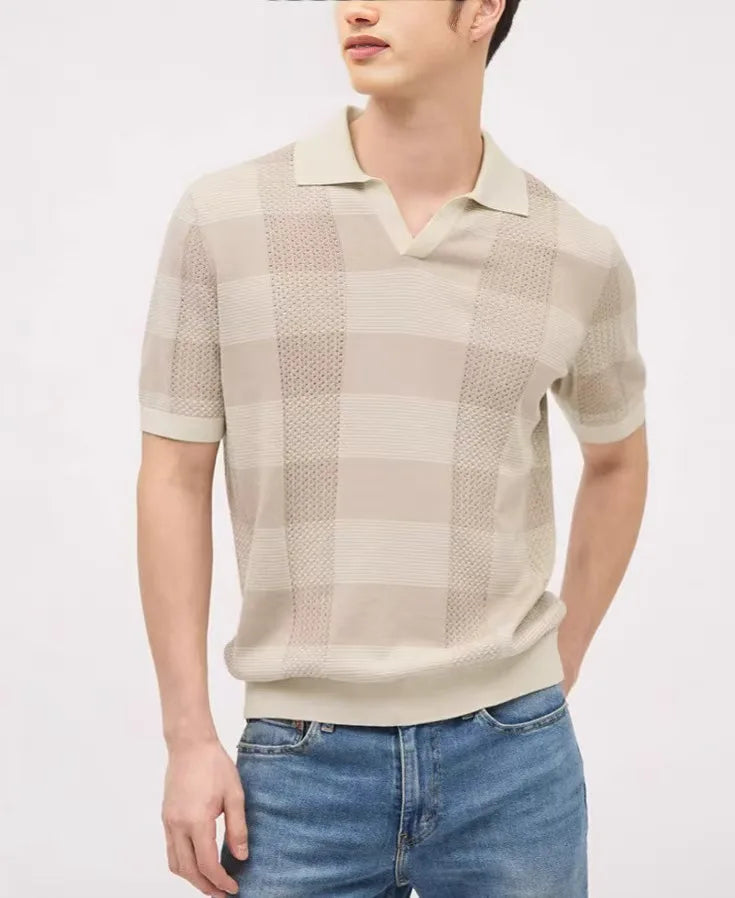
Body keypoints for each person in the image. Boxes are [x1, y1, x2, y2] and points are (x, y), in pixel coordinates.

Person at [136, 1, 648, 895]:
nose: (356, 9)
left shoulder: (575, 253)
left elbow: (618, 460)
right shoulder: (224, 219)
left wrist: (551, 670)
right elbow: (173, 476)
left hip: (514, 767)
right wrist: (188, 737)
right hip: (295, 772)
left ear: (482, 10)